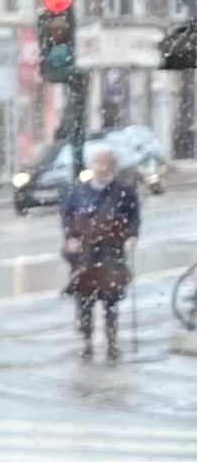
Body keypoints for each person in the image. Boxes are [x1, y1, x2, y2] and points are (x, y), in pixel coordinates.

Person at [63, 138, 142, 362]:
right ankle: (87, 342)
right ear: (90, 165)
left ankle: (112, 343)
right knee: (84, 299)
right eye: (97, 163)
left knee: (110, 299)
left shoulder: (123, 190)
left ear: (111, 165)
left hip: (111, 251)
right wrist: (71, 237)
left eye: (105, 163)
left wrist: (132, 235)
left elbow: (133, 216)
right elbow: (67, 215)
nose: (101, 167)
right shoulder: (78, 192)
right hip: (85, 254)